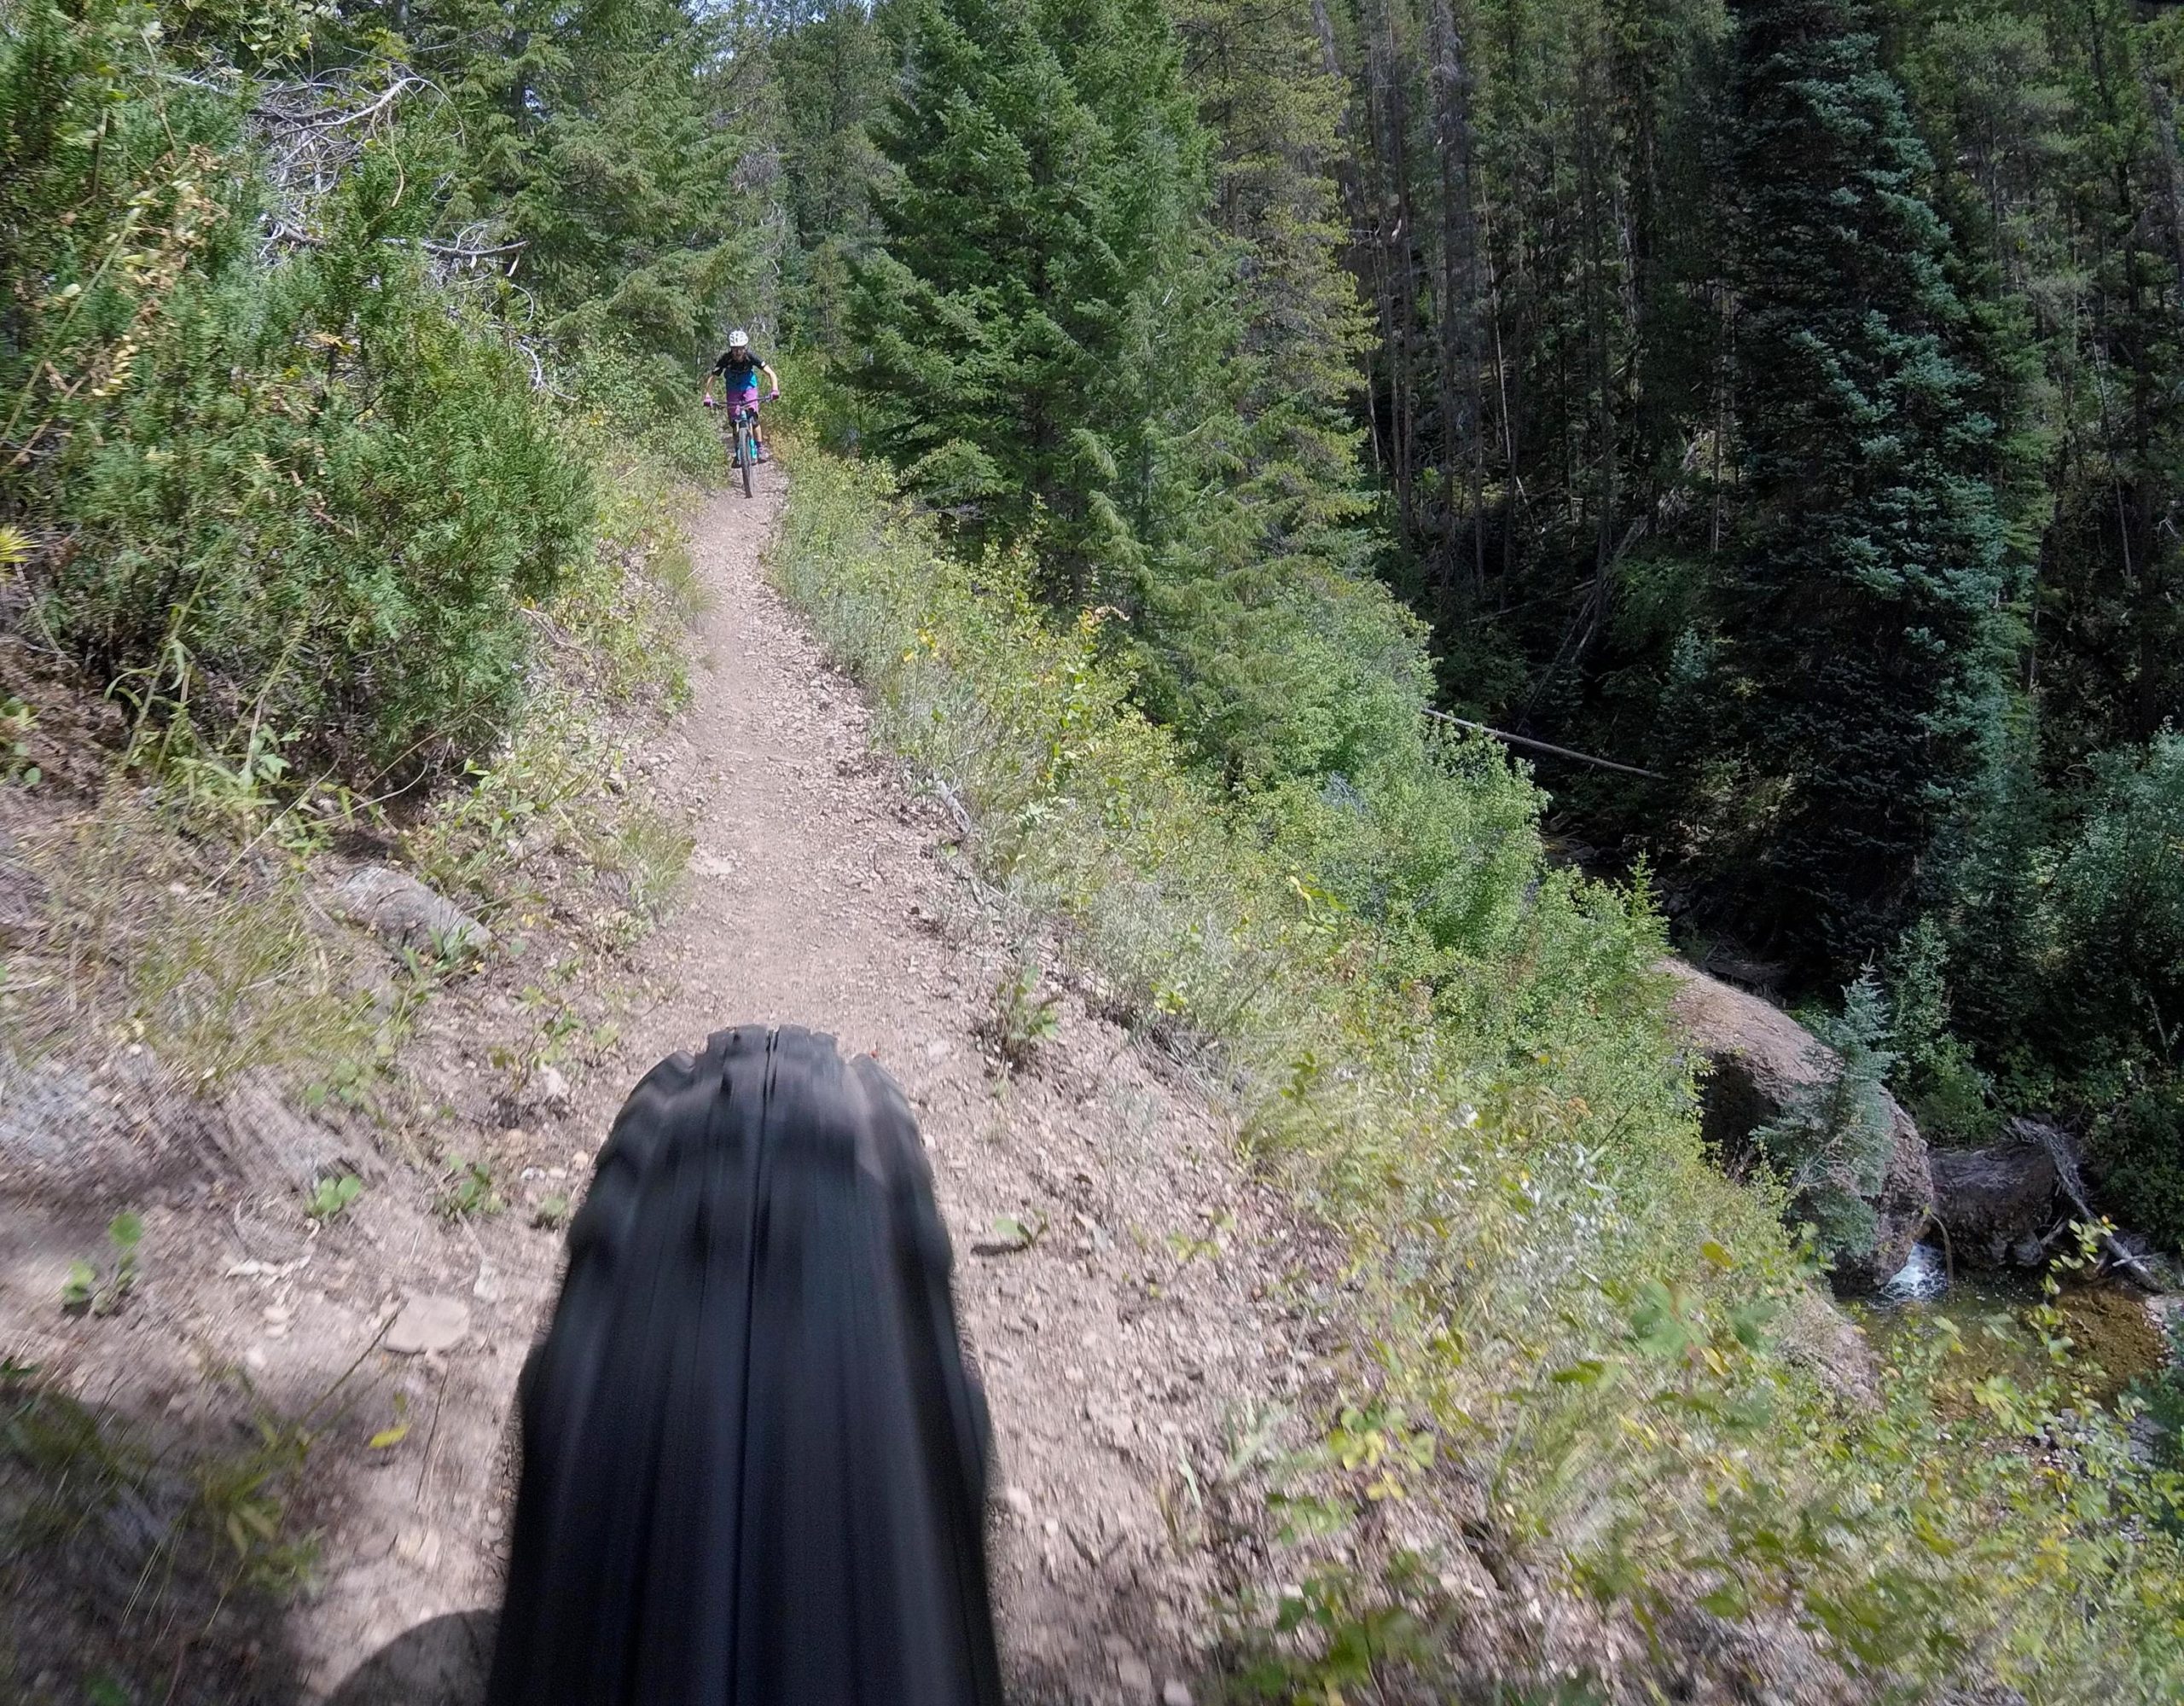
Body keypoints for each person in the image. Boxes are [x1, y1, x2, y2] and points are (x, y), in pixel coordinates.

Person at [703, 328, 781, 463]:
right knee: (735, 421)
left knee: (753, 417)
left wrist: (774, 389)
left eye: (740, 349)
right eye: (734, 349)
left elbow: (770, 373)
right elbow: (713, 377)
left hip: (748, 386)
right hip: (733, 387)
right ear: (731, 349)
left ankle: (759, 448)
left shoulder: (751, 357)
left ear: (745, 348)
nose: (737, 352)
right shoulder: (725, 359)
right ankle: (739, 452)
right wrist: (708, 396)